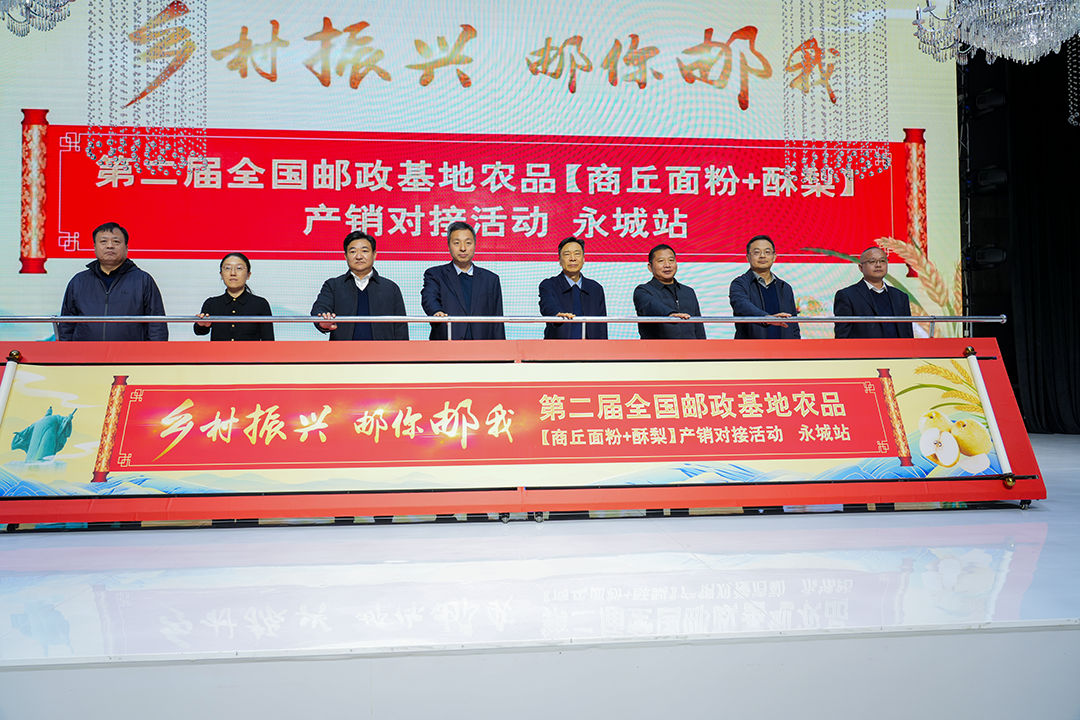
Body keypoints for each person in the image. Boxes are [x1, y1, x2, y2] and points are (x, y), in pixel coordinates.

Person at [58, 222, 167, 341]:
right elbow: (66, 326)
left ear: (126, 248)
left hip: (130, 352)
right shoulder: (79, 281)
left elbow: (157, 326)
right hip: (85, 352)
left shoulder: (143, 280)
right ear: (95, 247)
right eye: (103, 241)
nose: (110, 246)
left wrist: (155, 352)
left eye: (116, 241)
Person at [311, 231, 409, 341]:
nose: (358, 256)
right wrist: (323, 321)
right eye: (353, 251)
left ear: (374, 254)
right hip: (343, 351)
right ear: (345, 256)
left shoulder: (390, 288)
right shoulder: (333, 286)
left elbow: (401, 329)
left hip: (382, 351)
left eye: (364, 251)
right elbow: (320, 309)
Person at [421, 221, 505, 340]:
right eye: (457, 243)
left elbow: (498, 321)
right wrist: (436, 312)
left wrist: (501, 348)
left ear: (475, 245)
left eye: (468, 243)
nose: (463, 248)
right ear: (449, 245)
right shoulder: (435, 274)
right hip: (447, 343)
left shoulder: (491, 279)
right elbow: (429, 297)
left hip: (482, 346)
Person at [728, 235, 801, 339]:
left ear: (774, 257)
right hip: (752, 348)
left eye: (767, 252)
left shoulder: (785, 287)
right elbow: (742, 306)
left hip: (784, 348)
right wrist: (767, 318)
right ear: (748, 257)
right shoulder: (740, 284)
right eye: (757, 252)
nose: (762, 256)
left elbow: (794, 326)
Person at [833, 246, 914, 339]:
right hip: (864, 348)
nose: (878, 265)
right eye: (872, 261)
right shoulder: (847, 296)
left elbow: (908, 334)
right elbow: (843, 336)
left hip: (898, 348)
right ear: (861, 267)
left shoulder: (900, 296)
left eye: (882, 261)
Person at [538, 236, 608, 340]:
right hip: (558, 347)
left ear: (583, 259)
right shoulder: (549, 285)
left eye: (577, 254)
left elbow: (602, 328)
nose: (573, 258)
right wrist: (557, 315)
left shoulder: (595, 288)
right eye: (567, 254)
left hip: (591, 348)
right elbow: (547, 305)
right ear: (560, 260)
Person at [194, 253, 274, 341]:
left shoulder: (260, 304)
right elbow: (199, 331)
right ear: (221, 274)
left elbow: (268, 340)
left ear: (248, 275)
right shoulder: (211, 303)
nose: (233, 273)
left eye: (239, 268)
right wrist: (202, 324)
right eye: (227, 268)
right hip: (219, 351)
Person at [633, 244, 706, 339]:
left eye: (671, 260)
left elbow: (698, 328)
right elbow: (651, 305)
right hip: (658, 348)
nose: (667, 265)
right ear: (650, 267)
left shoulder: (688, 291)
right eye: (661, 261)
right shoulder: (643, 291)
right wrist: (669, 315)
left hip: (689, 347)